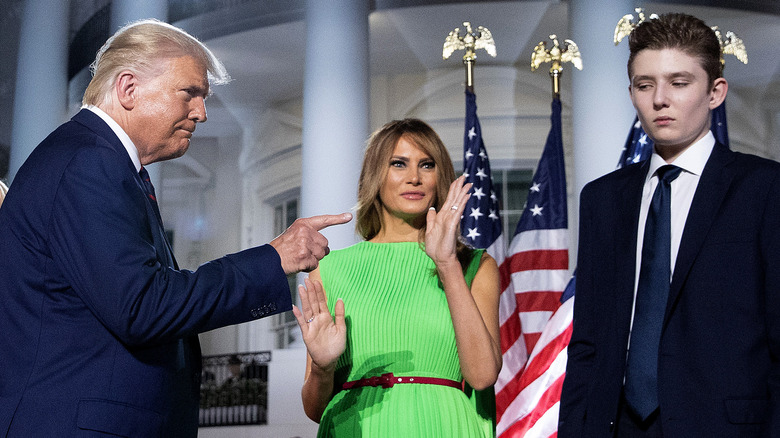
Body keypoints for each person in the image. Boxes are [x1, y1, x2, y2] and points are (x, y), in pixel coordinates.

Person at [0, 19, 350, 437]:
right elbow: (142, 307)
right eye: (191, 93)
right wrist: (274, 259)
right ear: (128, 88)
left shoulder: (103, 163)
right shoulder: (88, 162)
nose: (202, 113)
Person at [558, 13, 780, 437]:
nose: (660, 99)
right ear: (632, 93)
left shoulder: (765, 190)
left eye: (679, 83)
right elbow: (588, 341)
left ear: (715, 92)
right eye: (645, 85)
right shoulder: (602, 199)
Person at [291, 118, 502, 437]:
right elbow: (315, 410)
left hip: (443, 425)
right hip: (355, 426)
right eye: (399, 164)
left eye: (427, 165)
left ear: (439, 176)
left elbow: (483, 375)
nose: (414, 177)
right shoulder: (330, 268)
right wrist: (322, 368)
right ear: (376, 175)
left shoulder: (474, 265)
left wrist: (446, 264)